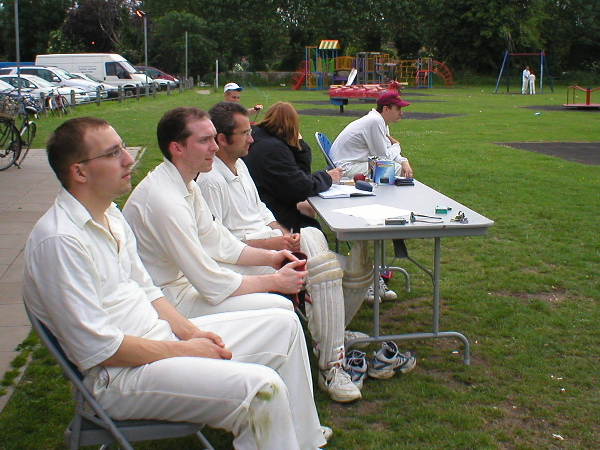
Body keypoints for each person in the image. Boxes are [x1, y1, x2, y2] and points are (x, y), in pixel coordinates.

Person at [22, 116, 329, 449]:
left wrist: (191, 333)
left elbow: (149, 291)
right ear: (79, 172)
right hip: (120, 378)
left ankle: (304, 439)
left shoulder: (109, 213)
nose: (128, 159)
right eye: (113, 153)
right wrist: (185, 349)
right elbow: (100, 351)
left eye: (123, 147)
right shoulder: (60, 241)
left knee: (283, 325)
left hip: (159, 340)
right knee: (261, 390)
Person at [199, 101, 376, 401]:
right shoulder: (210, 180)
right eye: (244, 134)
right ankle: (331, 366)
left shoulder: (240, 165)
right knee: (325, 268)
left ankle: (332, 333)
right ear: (222, 140)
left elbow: (262, 210)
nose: (252, 139)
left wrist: (283, 234)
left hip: (273, 244)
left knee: (359, 266)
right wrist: (274, 245)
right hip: (247, 263)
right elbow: (221, 246)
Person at [123, 107, 307, 319]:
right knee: (280, 313)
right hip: (164, 300)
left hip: (183, 286)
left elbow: (219, 241)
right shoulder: (165, 201)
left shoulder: (185, 185)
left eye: (213, 138)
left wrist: (272, 258)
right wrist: (275, 281)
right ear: (177, 148)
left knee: (281, 310)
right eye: (204, 141)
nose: (214, 147)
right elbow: (209, 283)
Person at [243, 101, 343, 231]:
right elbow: (300, 188)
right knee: (312, 229)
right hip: (271, 212)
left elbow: (298, 176)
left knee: (308, 212)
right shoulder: (273, 149)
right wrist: (327, 177)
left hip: (263, 203)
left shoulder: (260, 138)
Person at [329, 90, 413, 179]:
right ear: (386, 109)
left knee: (396, 167)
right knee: (396, 169)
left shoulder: (380, 121)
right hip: (344, 167)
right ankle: (390, 193)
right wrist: (397, 146)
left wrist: (404, 161)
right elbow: (383, 157)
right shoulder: (375, 121)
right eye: (398, 109)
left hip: (350, 164)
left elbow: (387, 151)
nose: (401, 113)